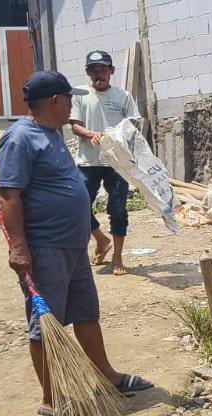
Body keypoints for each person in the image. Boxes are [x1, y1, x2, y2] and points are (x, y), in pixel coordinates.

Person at [0, 71, 153, 416]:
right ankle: (51, 398)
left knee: (85, 312)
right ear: (55, 101)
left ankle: (107, 376)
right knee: (45, 324)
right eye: (69, 99)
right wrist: (18, 247)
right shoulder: (20, 139)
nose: (72, 106)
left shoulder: (51, 134)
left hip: (72, 246)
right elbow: (9, 195)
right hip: (45, 248)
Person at [67, 50, 140, 276]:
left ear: (112, 71)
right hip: (88, 161)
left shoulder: (123, 96)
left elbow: (133, 124)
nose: (99, 74)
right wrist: (91, 134)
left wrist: (117, 137)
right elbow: (75, 125)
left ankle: (118, 257)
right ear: (87, 72)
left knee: (117, 209)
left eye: (103, 69)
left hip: (116, 163)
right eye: (94, 70)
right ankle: (101, 239)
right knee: (79, 206)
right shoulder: (80, 95)